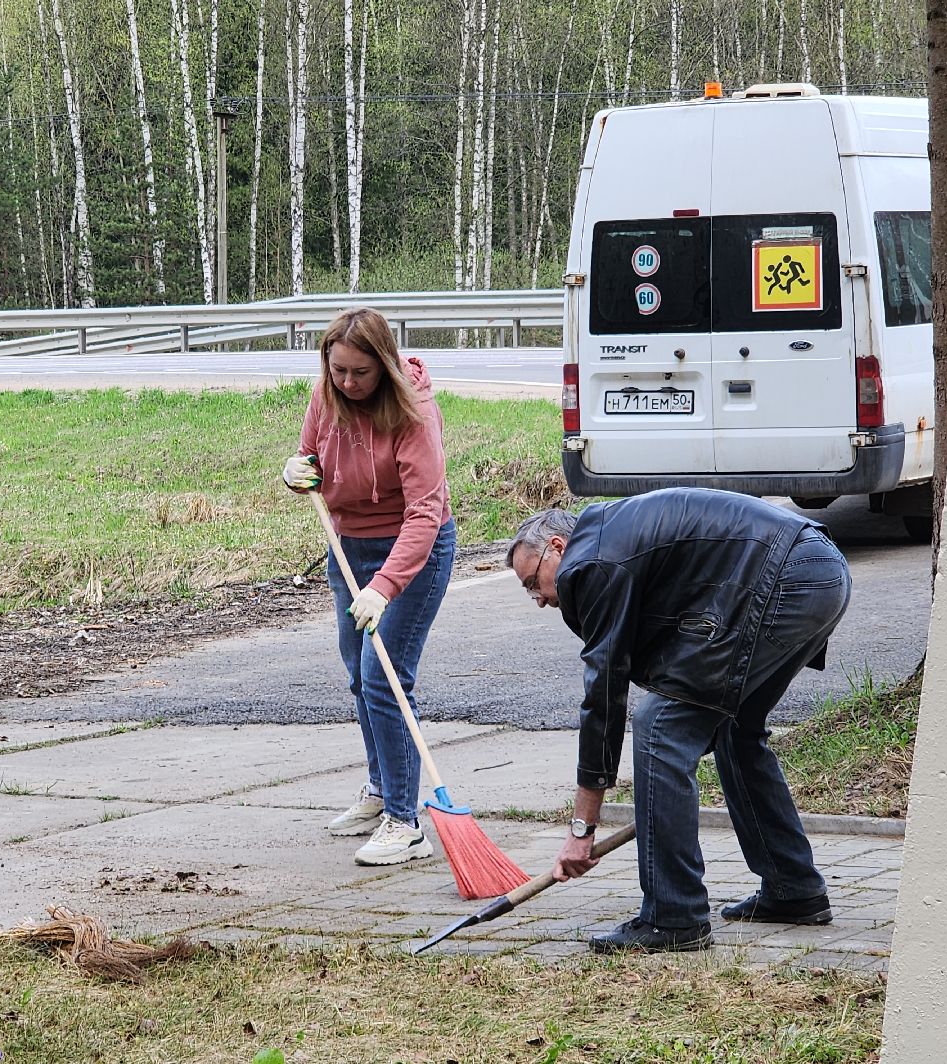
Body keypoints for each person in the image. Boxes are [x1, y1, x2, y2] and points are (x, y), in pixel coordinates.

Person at [506, 488, 852, 953]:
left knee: (659, 730)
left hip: (785, 579)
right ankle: (793, 888)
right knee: (734, 731)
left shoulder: (591, 562)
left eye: (533, 582)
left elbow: (605, 696)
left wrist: (581, 829)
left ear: (557, 548)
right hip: (818, 571)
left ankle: (675, 916)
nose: (539, 599)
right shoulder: (609, 540)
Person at [282, 308, 456, 867]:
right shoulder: (327, 393)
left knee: (386, 680)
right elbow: (310, 456)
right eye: (338, 371)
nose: (347, 384)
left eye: (359, 373)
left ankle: (405, 822)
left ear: (383, 366)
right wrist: (297, 470)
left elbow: (425, 513)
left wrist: (384, 588)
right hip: (347, 548)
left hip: (412, 555)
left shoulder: (414, 410)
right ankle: (381, 789)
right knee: (360, 677)